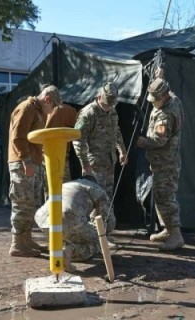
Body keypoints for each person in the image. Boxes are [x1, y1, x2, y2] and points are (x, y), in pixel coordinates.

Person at [7, 85, 61, 257]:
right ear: (47, 99)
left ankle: (26, 240)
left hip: (31, 162)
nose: (51, 111)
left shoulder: (36, 110)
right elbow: (18, 137)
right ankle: (17, 244)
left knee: (30, 203)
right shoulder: (27, 108)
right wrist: (26, 161)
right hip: (22, 164)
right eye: (52, 107)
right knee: (22, 203)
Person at [136, 68, 185, 251]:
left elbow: (159, 140)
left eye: (155, 100)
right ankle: (167, 228)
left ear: (163, 98)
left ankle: (176, 234)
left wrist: (142, 142)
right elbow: (167, 89)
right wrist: (160, 77)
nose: (153, 103)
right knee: (160, 195)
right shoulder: (173, 99)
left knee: (165, 196)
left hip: (165, 162)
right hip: (164, 161)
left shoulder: (165, 115)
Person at [73, 82, 128, 244]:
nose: (109, 107)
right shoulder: (88, 113)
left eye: (111, 104)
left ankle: (103, 235)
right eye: (106, 104)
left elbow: (116, 132)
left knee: (106, 198)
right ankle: (95, 236)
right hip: (94, 164)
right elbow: (77, 139)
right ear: (99, 97)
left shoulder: (112, 111)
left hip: (109, 162)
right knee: (96, 199)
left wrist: (122, 151)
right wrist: (84, 164)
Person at [34, 175, 115, 273]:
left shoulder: (68, 184)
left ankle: (60, 248)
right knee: (98, 242)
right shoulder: (96, 189)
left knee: (71, 233)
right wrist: (105, 235)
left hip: (43, 219)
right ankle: (69, 251)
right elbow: (107, 216)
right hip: (68, 218)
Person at [45, 102, 79, 182]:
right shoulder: (69, 110)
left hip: (44, 153)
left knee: (47, 183)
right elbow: (78, 130)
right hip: (61, 153)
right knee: (63, 184)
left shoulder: (42, 108)